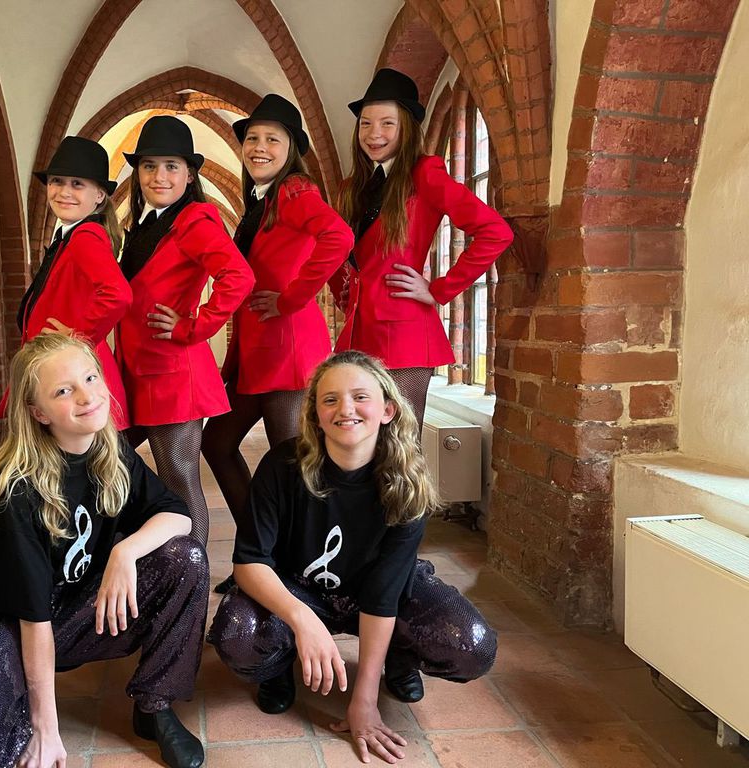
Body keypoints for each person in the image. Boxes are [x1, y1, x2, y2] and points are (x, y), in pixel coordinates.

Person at [0, 332, 208, 768]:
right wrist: (45, 728)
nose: (87, 396)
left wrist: (125, 553)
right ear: (39, 412)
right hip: (3, 630)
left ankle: (154, 704)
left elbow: (178, 514)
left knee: (186, 558)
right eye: (63, 391)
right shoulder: (15, 491)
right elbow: (32, 619)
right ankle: (13, 709)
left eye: (90, 378)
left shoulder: (111, 453)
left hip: (74, 613)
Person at [207, 350, 497, 765]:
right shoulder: (282, 466)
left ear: (387, 410)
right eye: (330, 399)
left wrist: (364, 700)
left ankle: (398, 655)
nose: (345, 409)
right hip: (301, 590)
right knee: (238, 635)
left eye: (360, 397)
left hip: (380, 594)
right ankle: (279, 665)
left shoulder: (407, 481)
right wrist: (302, 619)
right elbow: (250, 562)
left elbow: (383, 595)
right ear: (315, 415)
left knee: (471, 645)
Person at [202, 93, 353, 593]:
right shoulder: (261, 201)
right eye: (252, 138)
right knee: (217, 443)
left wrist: (291, 298)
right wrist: (233, 361)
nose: (259, 147)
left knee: (293, 466)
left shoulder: (293, 189)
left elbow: (338, 237)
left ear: (291, 150)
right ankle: (261, 552)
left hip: (288, 348)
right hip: (259, 353)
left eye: (272, 139)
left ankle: (294, 569)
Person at [332, 68, 513, 425]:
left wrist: (438, 290)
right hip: (358, 333)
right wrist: (345, 294)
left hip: (405, 335)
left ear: (407, 128)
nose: (374, 133)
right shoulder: (353, 187)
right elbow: (343, 256)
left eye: (387, 123)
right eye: (366, 124)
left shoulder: (424, 174)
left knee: (401, 444)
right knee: (362, 440)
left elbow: (495, 231)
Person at [116, 115, 254, 545]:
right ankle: (156, 555)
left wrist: (195, 326)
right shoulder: (144, 224)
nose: (159, 176)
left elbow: (239, 277)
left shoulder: (194, 220)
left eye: (171, 166)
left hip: (173, 373)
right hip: (138, 371)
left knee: (178, 475)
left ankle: (193, 576)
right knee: (115, 459)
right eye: (149, 166)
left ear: (189, 174)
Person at [0, 136, 131, 430]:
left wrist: (77, 337)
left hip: (70, 377)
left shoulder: (85, 236)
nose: (64, 192)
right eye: (57, 181)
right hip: (65, 373)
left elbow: (118, 294)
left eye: (77, 184)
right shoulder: (69, 238)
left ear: (99, 196)